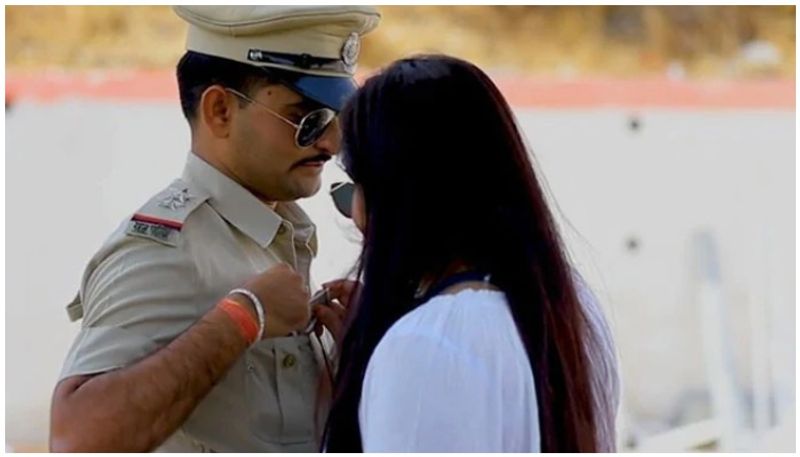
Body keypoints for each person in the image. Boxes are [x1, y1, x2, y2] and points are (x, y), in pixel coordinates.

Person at [49, 6, 380, 452]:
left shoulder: (279, 234)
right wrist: (242, 319)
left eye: (336, 118)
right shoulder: (165, 250)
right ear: (221, 110)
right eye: (306, 119)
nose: (331, 142)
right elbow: (76, 438)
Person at [321, 55, 620, 452]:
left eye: (356, 187)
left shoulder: (425, 346)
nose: (356, 216)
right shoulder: (568, 304)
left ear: (400, 198)